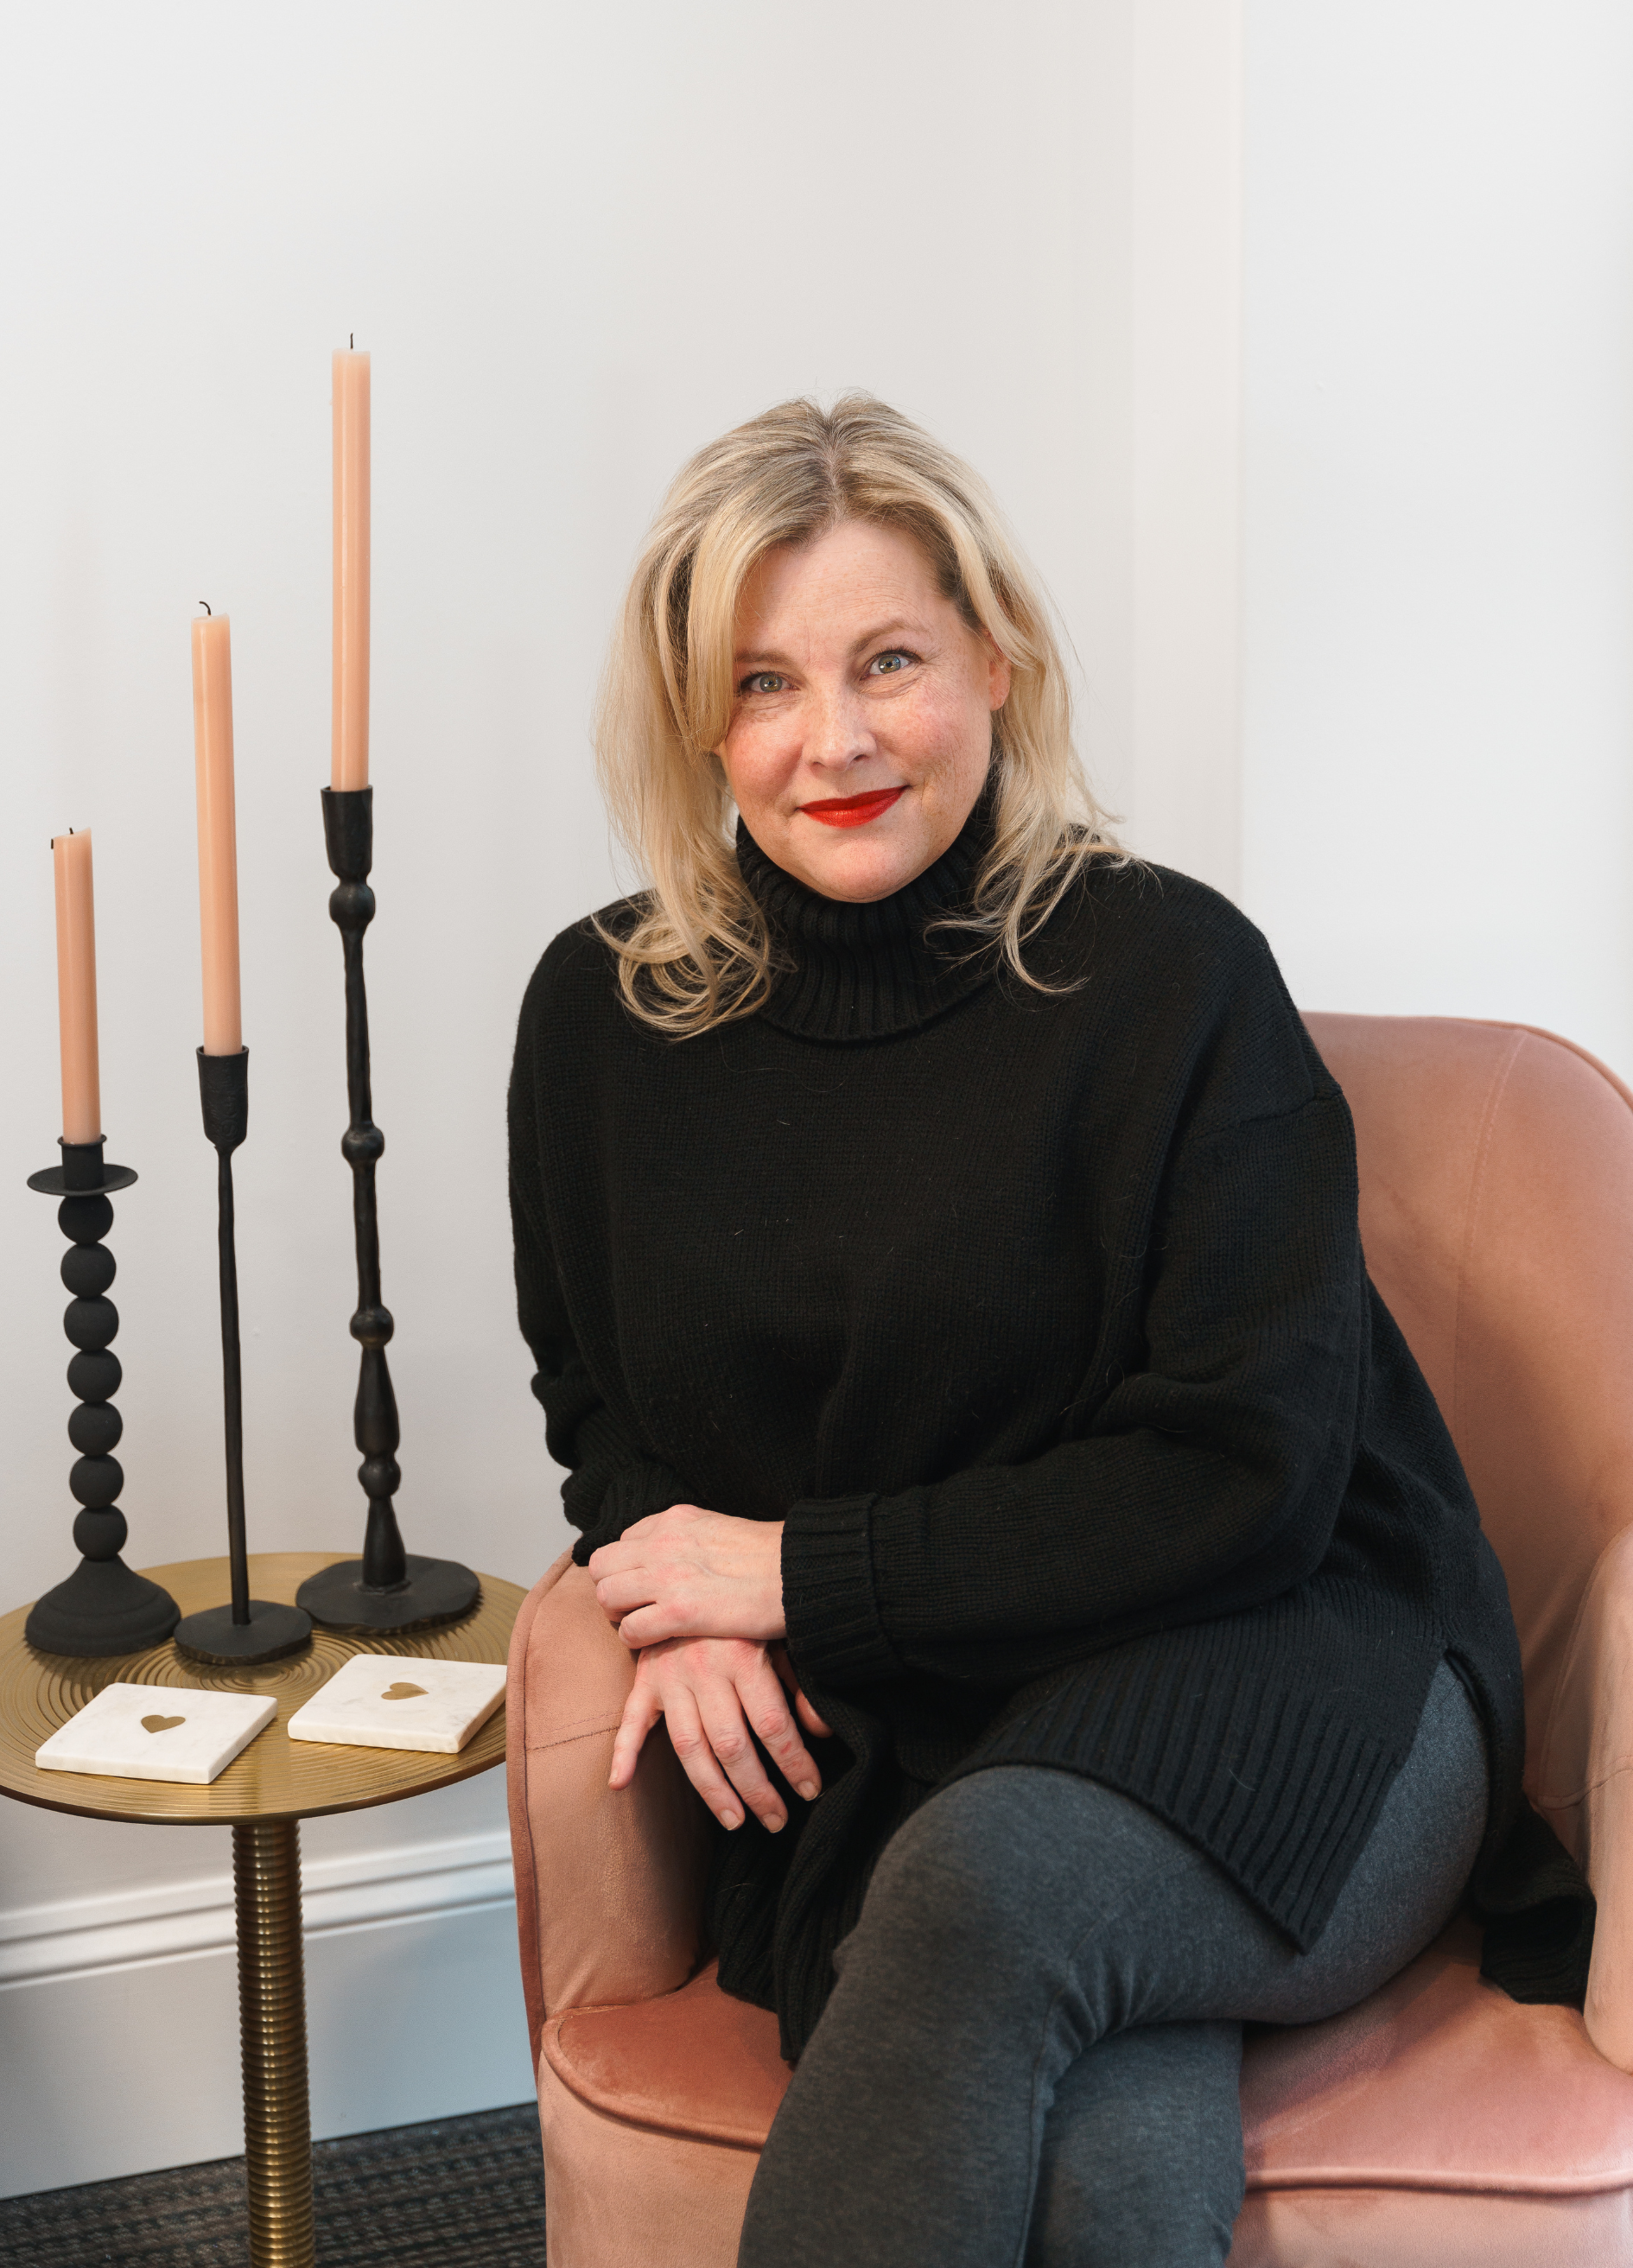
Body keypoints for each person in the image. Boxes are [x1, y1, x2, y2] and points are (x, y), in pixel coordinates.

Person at [507, 396, 1591, 2267]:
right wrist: (670, 1584)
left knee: (988, 1895)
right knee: (1100, 2143)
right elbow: (595, 1392)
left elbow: (1247, 1480)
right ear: (699, 722)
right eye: (763, 683)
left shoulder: (1169, 976)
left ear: (995, 659)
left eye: (888, 661)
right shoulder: (605, 1021)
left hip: (1298, 1673)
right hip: (903, 1729)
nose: (834, 739)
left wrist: (791, 1573)